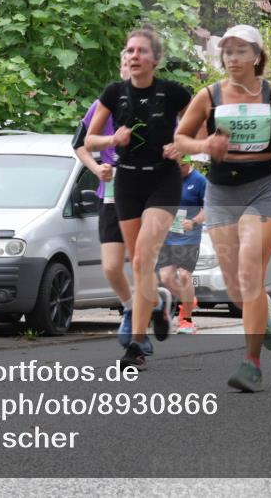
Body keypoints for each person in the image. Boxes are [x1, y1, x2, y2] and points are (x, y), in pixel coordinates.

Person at [175, 24, 271, 392]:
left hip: (262, 190)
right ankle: (262, 314)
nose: (233, 58)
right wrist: (204, 147)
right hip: (220, 193)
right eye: (228, 52)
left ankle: (251, 363)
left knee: (249, 271)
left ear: (257, 56)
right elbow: (181, 137)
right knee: (235, 288)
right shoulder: (209, 95)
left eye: (241, 51)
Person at [84, 26, 192, 370]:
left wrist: (184, 147)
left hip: (163, 180)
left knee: (144, 258)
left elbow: (202, 133)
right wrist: (112, 140)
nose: (134, 56)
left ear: (156, 59)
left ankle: (135, 345)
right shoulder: (114, 93)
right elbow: (88, 142)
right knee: (137, 262)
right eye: (129, 51)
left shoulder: (174, 93)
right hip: (127, 182)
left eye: (141, 51)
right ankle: (157, 307)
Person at [73, 53, 142, 349]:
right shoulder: (103, 105)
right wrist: (97, 168)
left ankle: (140, 332)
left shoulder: (154, 104)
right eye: (126, 64)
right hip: (112, 196)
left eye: (136, 63)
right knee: (112, 267)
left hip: (146, 193)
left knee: (142, 263)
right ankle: (130, 306)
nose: (130, 69)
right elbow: (80, 144)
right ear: (120, 69)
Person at [156, 154, 207, 334]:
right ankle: (188, 301)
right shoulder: (169, 179)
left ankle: (186, 320)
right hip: (169, 236)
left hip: (189, 237)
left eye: (181, 166)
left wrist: (193, 222)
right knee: (165, 277)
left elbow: (208, 210)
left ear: (189, 163)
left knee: (185, 276)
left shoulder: (200, 181)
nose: (178, 170)